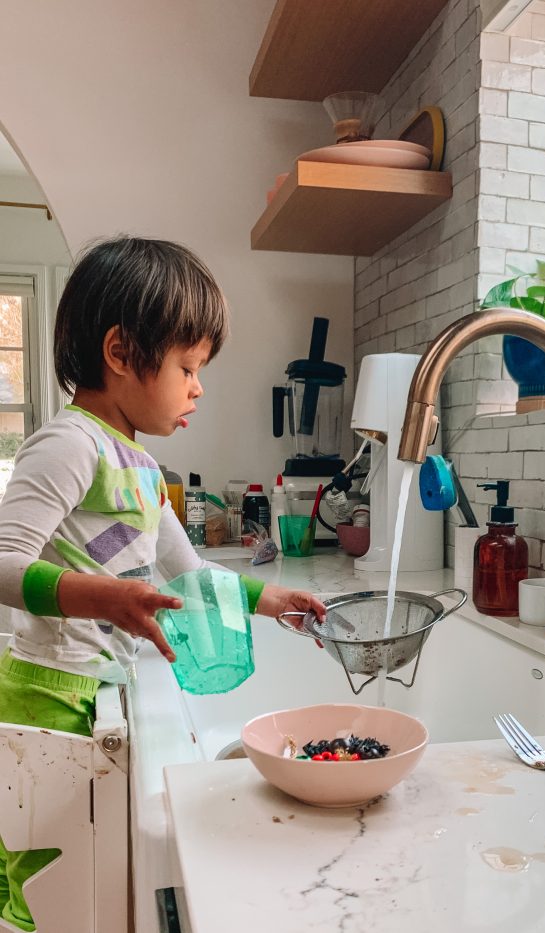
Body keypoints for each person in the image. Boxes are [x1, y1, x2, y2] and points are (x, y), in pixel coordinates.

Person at [0, 236, 326, 931]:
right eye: (187, 365)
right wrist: (105, 597)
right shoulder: (70, 444)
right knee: (29, 874)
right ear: (121, 354)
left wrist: (273, 602)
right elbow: (2, 561)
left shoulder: (143, 467)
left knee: (62, 870)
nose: (198, 386)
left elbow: (193, 575)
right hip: (46, 691)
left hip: (95, 688)